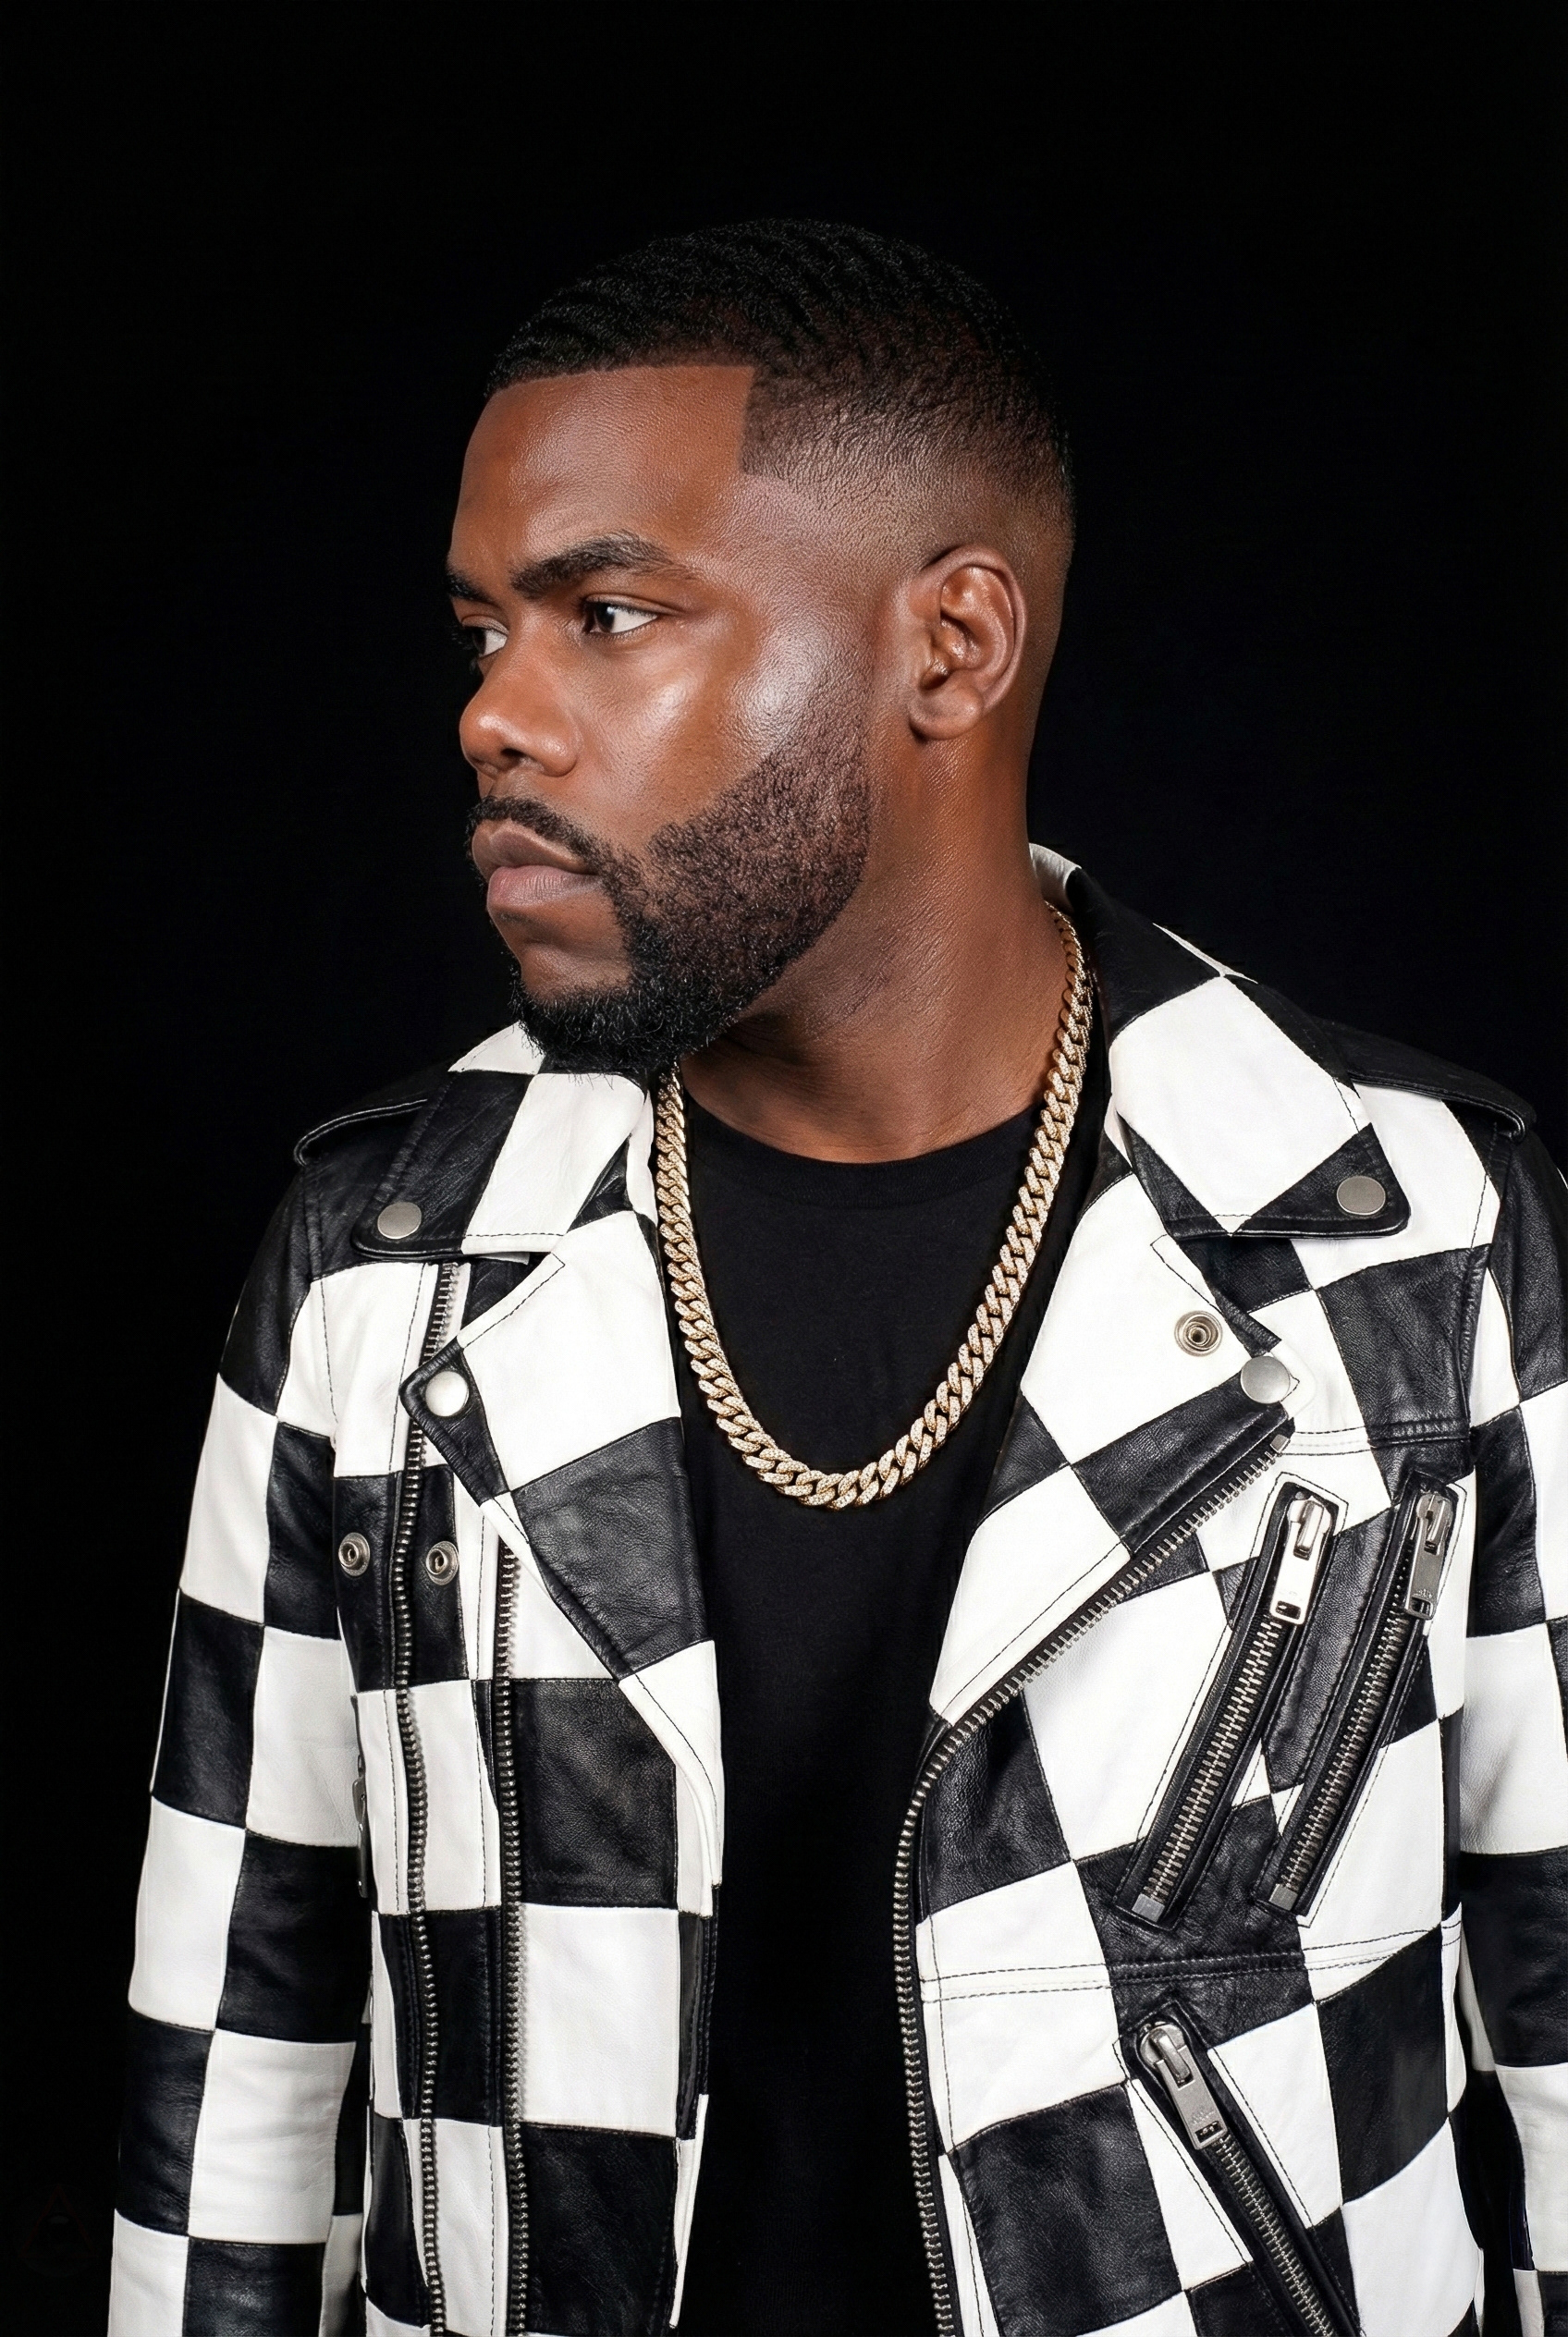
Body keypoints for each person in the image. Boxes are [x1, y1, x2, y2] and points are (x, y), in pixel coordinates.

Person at [109, 222, 1565, 2337]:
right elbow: (237, 2059)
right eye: (481, 632)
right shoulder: (388, 1258)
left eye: (606, 614)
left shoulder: (1408, 1233)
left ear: (947, 649)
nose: (494, 714)